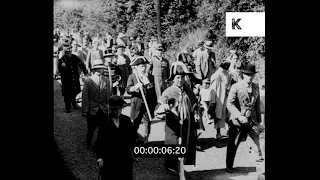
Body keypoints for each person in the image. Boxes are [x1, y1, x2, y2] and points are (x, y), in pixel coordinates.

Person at [158, 61, 198, 179]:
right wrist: (163, 108)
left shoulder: (188, 90)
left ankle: (181, 168)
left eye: (182, 77)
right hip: (173, 124)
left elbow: (194, 103)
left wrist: (196, 113)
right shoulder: (169, 91)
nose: (180, 80)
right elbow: (160, 104)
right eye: (177, 77)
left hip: (186, 123)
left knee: (184, 144)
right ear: (173, 78)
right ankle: (171, 167)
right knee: (172, 144)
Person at [225, 63, 265, 175]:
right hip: (237, 122)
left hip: (252, 122)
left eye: (252, 75)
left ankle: (261, 171)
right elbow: (229, 104)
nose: (250, 77)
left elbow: (257, 106)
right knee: (233, 145)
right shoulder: (236, 87)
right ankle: (229, 165)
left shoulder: (256, 87)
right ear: (243, 74)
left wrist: (260, 122)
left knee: (258, 145)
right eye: (247, 75)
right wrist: (239, 115)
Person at [95, 95, 135, 180]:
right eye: (115, 109)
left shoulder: (126, 120)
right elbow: (100, 141)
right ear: (111, 109)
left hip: (124, 157)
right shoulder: (105, 121)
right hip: (109, 157)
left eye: (119, 109)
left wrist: (135, 153)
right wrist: (100, 157)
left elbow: (131, 138)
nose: (117, 111)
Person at [126, 56, 157, 143]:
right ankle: (133, 139)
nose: (143, 68)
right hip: (137, 103)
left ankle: (146, 139)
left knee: (147, 123)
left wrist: (155, 104)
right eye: (141, 66)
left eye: (145, 66)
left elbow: (154, 92)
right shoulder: (132, 77)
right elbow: (128, 90)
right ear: (136, 67)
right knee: (135, 122)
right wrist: (135, 87)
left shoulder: (150, 77)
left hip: (148, 104)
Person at [82, 59, 111, 148]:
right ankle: (88, 142)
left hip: (103, 109)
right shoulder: (88, 81)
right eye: (97, 68)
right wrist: (85, 110)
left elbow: (109, 96)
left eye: (101, 68)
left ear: (103, 69)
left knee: (103, 128)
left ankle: (100, 144)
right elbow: (85, 97)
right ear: (94, 69)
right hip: (92, 109)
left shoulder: (106, 80)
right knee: (91, 128)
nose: (99, 70)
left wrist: (109, 108)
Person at [56, 42, 89, 113]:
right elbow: (59, 70)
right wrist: (62, 67)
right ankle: (68, 107)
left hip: (74, 79)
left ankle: (74, 104)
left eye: (70, 52)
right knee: (67, 94)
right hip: (66, 80)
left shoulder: (74, 57)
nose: (69, 54)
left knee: (74, 92)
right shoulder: (61, 60)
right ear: (65, 53)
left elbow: (81, 64)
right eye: (68, 53)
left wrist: (85, 71)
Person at [210, 60, 231, 139]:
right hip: (218, 96)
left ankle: (228, 130)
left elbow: (228, 83)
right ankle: (218, 133)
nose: (225, 70)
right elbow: (213, 89)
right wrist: (213, 100)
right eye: (224, 68)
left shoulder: (228, 74)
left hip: (226, 95)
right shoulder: (216, 75)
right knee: (218, 114)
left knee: (227, 113)